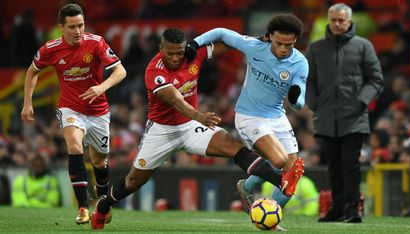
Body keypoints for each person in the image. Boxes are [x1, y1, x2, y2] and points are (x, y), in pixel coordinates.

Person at [91, 28, 290, 230]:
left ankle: (281, 181)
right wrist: (199, 116)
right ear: (161, 48)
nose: (176, 57)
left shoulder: (193, 55)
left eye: (179, 52)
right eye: (170, 53)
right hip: (162, 131)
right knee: (134, 181)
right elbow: (176, 100)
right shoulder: (154, 70)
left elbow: (230, 43)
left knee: (232, 145)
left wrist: (257, 41)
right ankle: (104, 205)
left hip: (190, 127)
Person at [186, 13, 307, 213]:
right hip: (249, 116)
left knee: (292, 173)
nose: (284, 49)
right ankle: (250, 189)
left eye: (290, 45)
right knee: (278, 161)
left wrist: (295, 99)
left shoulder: (300, 63)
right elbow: (221, 32)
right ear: (269, 37)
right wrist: (195, 43)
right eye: (280, 43)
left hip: (277, 117)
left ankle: (267, 212)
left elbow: (299, 103)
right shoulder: (254, 46)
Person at [20, 3, 126, 224]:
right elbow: (32, 72)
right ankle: (82, 207)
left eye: (81, 25)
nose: (78, 31)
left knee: (99, 161)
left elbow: (120, 70)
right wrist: (27, 103)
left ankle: (103, 200)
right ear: (62, 27)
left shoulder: (96, 43)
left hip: (98, 110)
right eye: (72, 27)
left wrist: (101, 87)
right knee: (75, 146)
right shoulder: (50, 49)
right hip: (70, 107)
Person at [305, 3, 383, 223]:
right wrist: (313, 103)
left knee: (350, 165)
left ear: (349, 21)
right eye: (334, 20)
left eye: (341, 20)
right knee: (334, 166)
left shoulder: (363, 46)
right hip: (326, 116)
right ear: (329, 20)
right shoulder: (316, 48)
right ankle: (337, 208)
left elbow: (376, 79)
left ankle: (352, 209)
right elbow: (308, 80)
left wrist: (361, 102)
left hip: (354, 117)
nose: (337, 24)